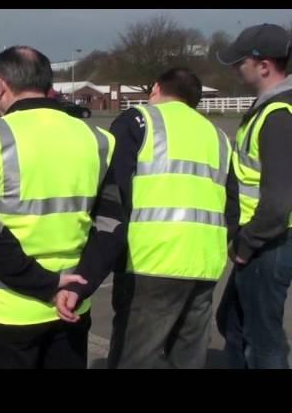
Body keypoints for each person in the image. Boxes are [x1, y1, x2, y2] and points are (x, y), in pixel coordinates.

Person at [58, 67, 234, 369]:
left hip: (150, 262)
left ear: (155, 89)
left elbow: (113, 194)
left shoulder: (140, 120)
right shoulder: (218, 136)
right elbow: (232, 207)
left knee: (136, 356)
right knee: (188, 357)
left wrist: (89, 270)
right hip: (205, 263)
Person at [0, 45, 119, 369]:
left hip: (8, 311)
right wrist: (80, 285)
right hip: (74, 305)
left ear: (2, 84)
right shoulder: (100, 140)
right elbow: (112, 226)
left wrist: (48, 287)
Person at [215, 23, 292, 369]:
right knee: (234, 321)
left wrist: (245, 244)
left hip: (268, 243)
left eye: (240, 62)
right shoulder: (269, 110)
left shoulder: (278, 117)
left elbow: (278, 201)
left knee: (264, 340)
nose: (235, 68)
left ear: (264, 65)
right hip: (263, 241)